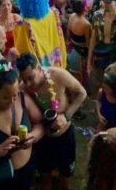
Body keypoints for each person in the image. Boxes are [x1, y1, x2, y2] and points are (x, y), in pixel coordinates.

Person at [16, 53, 87, 190]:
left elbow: (82, 93)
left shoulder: (58, 75)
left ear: (38, 68)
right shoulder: (23, 88)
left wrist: (66, 116)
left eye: (31, 78)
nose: (28, 84)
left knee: (65, 180)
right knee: (45, 181)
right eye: (24, 80)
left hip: (64, 137)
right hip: (43, 140)